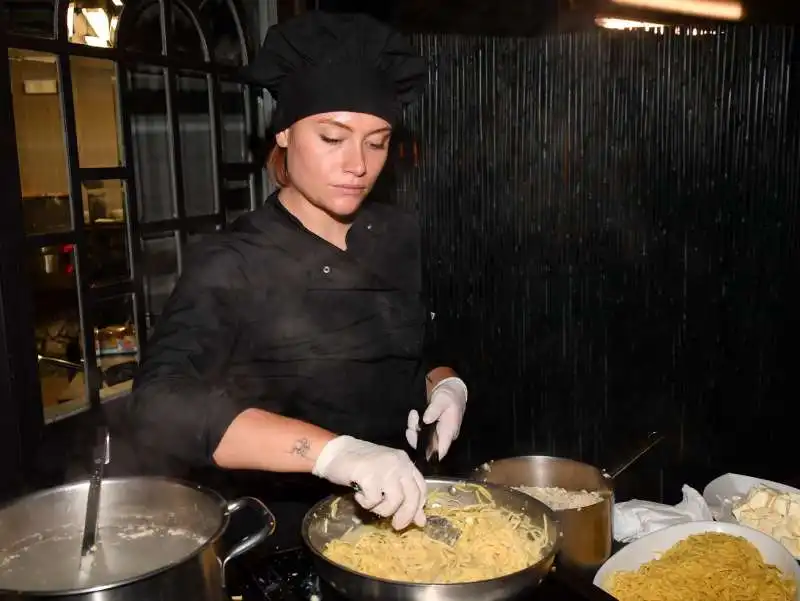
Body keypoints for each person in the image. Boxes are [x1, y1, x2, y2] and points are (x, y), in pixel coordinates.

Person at [125, 11, 468, 544]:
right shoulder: (234, 260)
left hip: (399, 513)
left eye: (377, 142)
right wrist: (334, 453)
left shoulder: (398, 232)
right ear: (284, 131)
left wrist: (444, 382)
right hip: (281, 536)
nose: (358, 164)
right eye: (333, 137)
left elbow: (414, 341)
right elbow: (159, 403)